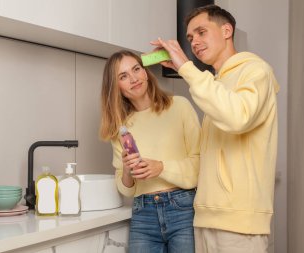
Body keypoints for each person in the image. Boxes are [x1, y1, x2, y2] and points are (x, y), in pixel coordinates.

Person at [151, 4, 280, 253]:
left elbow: (237, 117)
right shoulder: (216, 83)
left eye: (201, 32)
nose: (194, 42)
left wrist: (186, 68)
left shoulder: (255, 70)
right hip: (207, 218)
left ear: (226, 30)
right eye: (190, 37)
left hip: (239, 222)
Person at [100, 50, 201, 253]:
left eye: (136, 69)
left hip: (183, 209)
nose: (134, 78)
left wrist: (161, 168)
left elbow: (200, 164)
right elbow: (127, 189)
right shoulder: (121, 129)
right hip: (143, 212)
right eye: (123, 76)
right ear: (116, 87)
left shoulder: (179, 106)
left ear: (146, 73)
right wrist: (127, 170)